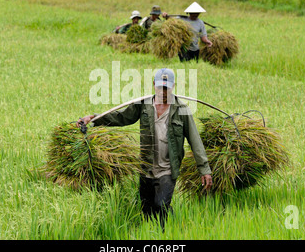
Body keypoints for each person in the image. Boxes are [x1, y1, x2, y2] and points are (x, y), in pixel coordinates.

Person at [77, 68, 213, 229]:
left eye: (167, 88)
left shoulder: (181, 109)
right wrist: (94, 119)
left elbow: (194, 139)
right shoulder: (143, 105)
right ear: (154, 84)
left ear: (173, 86)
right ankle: (156, 231)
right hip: (146, 167)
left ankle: (165, 235)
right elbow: (121, 117)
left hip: (168, 169)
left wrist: (204, 169)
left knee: (160, 205)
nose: (163, 91)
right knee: (147, 210)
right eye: (160, 87)